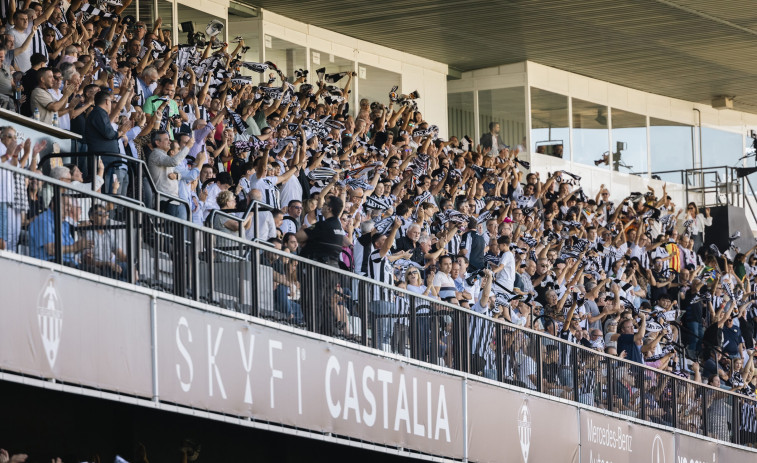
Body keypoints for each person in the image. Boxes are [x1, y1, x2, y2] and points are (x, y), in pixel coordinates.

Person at [147, 129, 194, 219]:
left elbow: (176, 171)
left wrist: (177, 176)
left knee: (173, 231)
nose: (169, 142)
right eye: (166, 139)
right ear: (157, 142)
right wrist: (187, 147)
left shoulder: (164, 156)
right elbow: (174, 162)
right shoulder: (156, 154)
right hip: (164, 200)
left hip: (172, 200)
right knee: (168, 231)